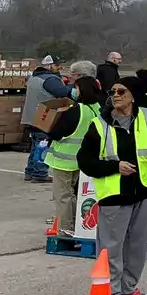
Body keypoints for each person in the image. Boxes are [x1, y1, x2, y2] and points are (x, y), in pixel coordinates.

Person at [77, 76, 147, 295]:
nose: (115, 95)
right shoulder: (98, 124)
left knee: (138, 244)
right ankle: (110, 294)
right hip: (115, 195)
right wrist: (115, 167)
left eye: (121, 91)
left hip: (145, 191)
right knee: (111, 247)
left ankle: (128, 289)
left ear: (133, 95)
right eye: (112, 91)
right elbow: (85, 162)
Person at [44, 66, 103, 235]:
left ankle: (66, 228)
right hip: (85, 159)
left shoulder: (77, 110)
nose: (73, 91)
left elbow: (57, 132)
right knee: (79, 195)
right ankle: (81, 225)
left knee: (63, 196)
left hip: (65, 160)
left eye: (76, 88)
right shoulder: (99, 109)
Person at [21, 55, 71, 183]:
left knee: (35, 145)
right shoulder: (50, 79)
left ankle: (30, 171)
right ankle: (40, 173)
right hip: (45, 118)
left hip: (32, 117)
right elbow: (63, 93)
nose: (60, 67)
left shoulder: (33, 77)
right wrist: (72, 87)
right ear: (49, 65)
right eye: (57, 65)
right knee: (43, 146)